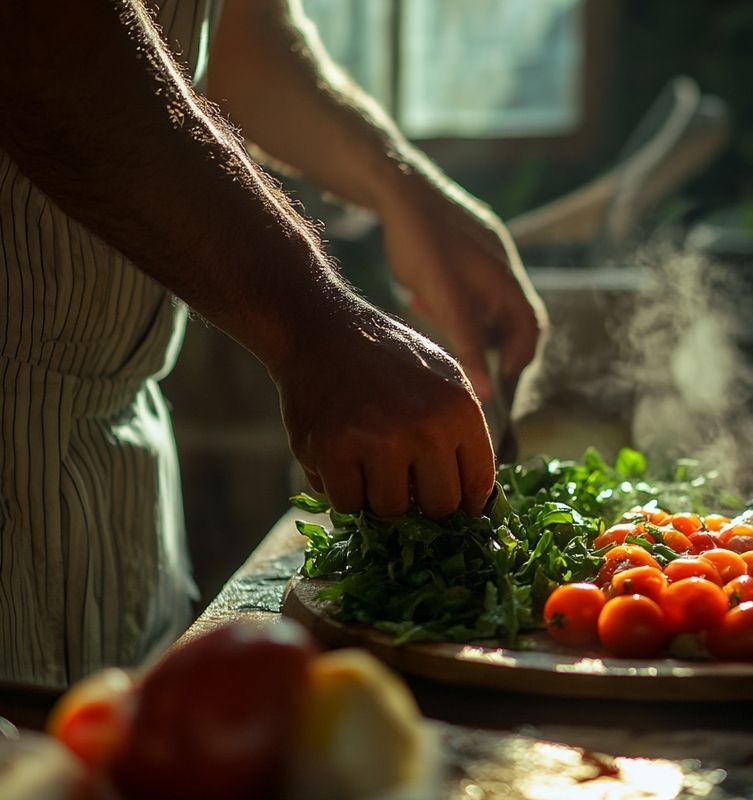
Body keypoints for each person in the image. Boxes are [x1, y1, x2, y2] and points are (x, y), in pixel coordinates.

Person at [0, 0, 545, 687]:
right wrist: (314, 325)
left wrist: (402, 187)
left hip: (115, 483)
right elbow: (48, 41)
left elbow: (235, 29)